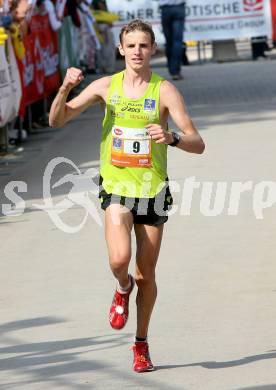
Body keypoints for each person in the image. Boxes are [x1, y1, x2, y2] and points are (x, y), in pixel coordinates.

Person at [49, 19, 205, 373]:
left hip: (151, 192)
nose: (137, 51)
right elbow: (58, 121)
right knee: (121, 262)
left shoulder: (165, 91)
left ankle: (141, 343)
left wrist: (172, 138)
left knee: (146, 275)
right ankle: (122, 289)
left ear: (152, 50)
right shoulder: (106, 87)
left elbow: (198, 143)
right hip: (117, 189)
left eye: (143, 46)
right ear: (121, 49)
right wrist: (64, 89)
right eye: (130, 45)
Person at [159, 0, 186, 80]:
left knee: (169, 41)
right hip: (178, 7)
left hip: (166, 9)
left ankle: (172, 68)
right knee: (177, 41)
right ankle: (175, 71)